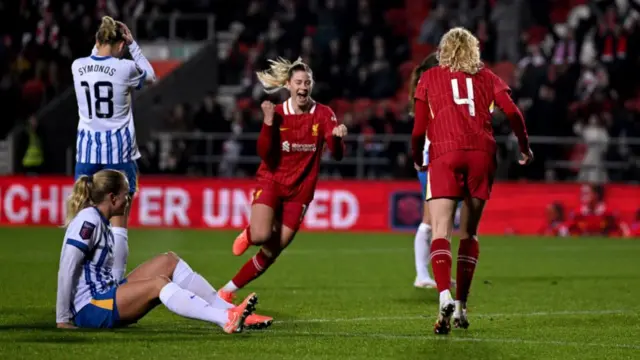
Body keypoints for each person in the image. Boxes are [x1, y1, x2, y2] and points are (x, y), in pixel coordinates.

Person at [411, 27, 533, 334]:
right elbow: (513, 113)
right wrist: (524, 145)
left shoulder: (429, 77)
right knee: (470, 232)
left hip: (444, 153)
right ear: (473, 50)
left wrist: (416, 155)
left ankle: (443, 296)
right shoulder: (488, 77)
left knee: (441, 229)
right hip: (481, 153)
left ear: (443, 50)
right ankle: (463, 308)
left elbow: (418, 128)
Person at [217, 57, 348, 316]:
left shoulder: (323, 114)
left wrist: (336, 139)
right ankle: (250, 233)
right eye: (298, 82)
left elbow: (338, 155)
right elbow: (265, 153)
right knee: (262, 235)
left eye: (307, 82)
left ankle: (227, 290)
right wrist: (267, 123)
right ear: (288, 85)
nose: (303, 87)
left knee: (273, 250)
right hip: (272, 181)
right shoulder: (277, 113)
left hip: (300, 191)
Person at [56, 169, 258, 332]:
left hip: (104, 295)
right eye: (126, 194)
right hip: (90, 308)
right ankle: (225, 319)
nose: (128, 200)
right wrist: (62, 318)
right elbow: (67, 266)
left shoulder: (100, 220)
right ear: (113, 198)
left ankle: (232, 311)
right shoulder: (88, 221)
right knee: (159, 284)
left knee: (168, 261)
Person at [72, 16, 157, 283]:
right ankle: (116, 284)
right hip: (119, 154)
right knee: (119, 222)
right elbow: (151, 76)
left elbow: (93, 59)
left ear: (97, 41)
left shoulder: (78, 66)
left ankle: (79, 282)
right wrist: (134, 46)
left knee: (83, 221)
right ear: (120, 44)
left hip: (87, 152)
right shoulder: (125, 68)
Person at [408, 53, 460, 289]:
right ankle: (421, 274)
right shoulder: (431, 93)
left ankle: (437, 272)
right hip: (432, 160)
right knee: (430, 220)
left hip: (445, 158)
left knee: (444, 221)